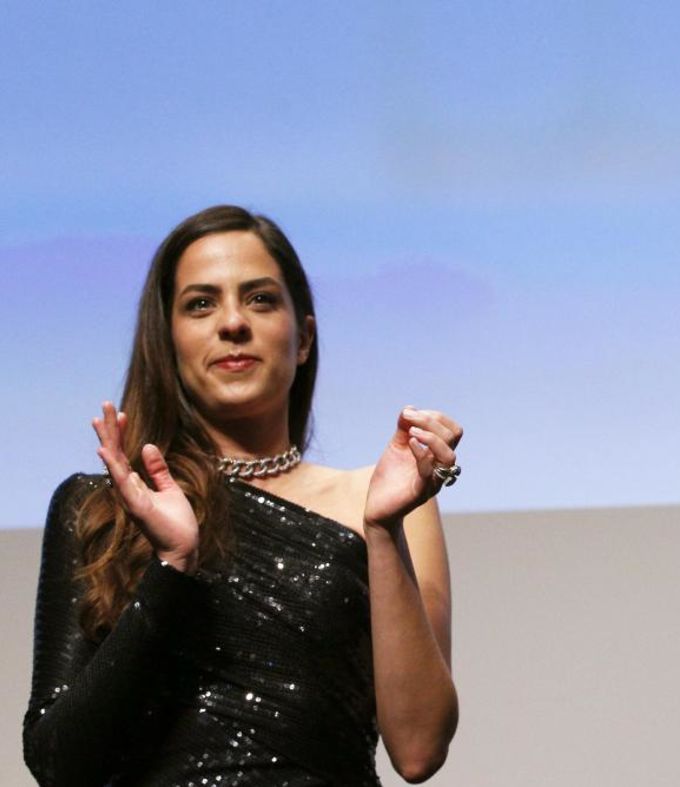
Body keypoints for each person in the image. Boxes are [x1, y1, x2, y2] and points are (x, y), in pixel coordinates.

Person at [24, 205, 461, 785]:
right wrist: (172, 567)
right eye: (200, 304)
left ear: (303, 338)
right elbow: (57, 763)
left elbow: (419, 751)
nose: (233, 323)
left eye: (260, 299)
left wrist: (381, 531)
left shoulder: (387, 504)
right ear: (168, 342)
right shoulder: (103, 508)